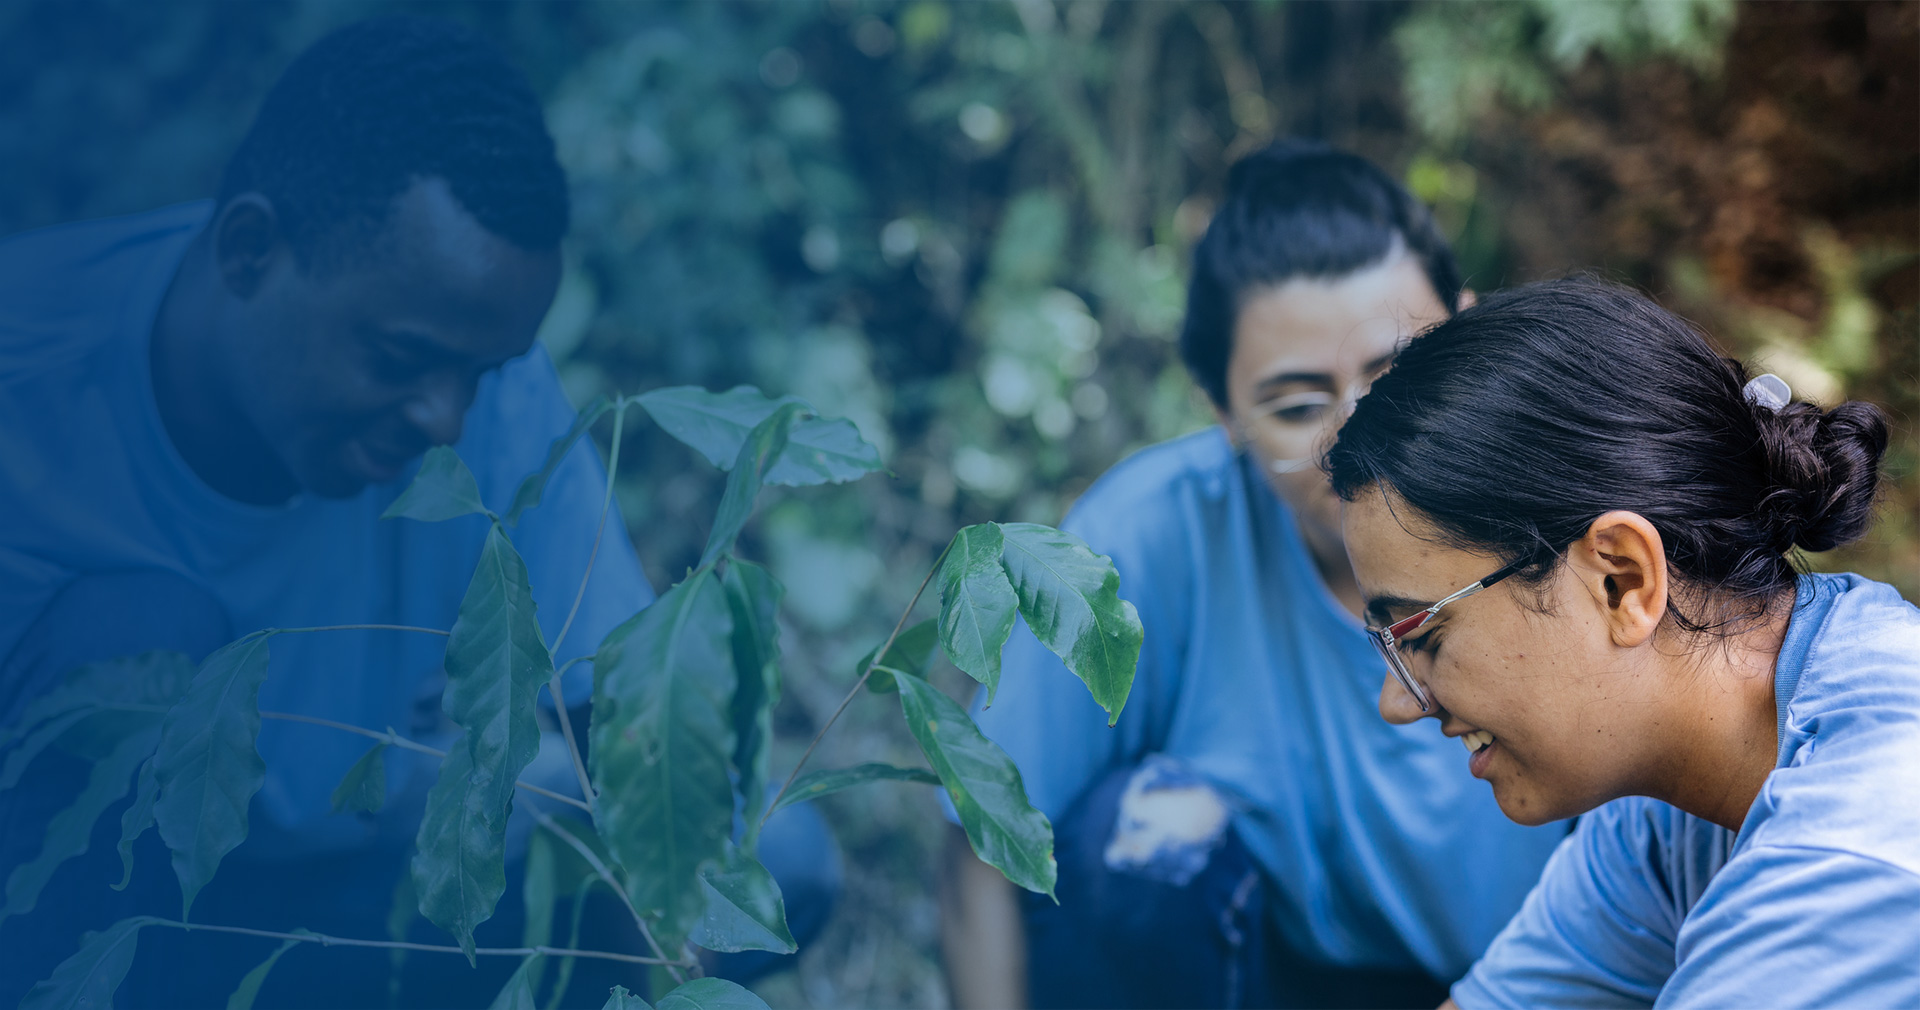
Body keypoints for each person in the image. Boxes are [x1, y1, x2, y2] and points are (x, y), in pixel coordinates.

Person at [0, 17, 834, 1008]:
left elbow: (618, 724)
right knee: (129, 636)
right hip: (122, 914)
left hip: (383, 877)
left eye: (480, 371)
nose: (446, 417)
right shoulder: (32, 387)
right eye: (399, 362)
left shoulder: (483, 372)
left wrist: (656, 981)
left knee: (776, 861)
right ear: (248, 250)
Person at [940, 140, 1569, 1010]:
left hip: (1544, 980)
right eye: (1298, 404)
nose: (1360, 436)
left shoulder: (1576, 526)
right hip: (1262, 973)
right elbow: (987, 835)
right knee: (1131, 840)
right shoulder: (1154, 531)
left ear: (1468, 330)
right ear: (1222, 411)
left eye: (1402, 373)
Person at [1327, 279, 1919, 1008]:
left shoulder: (1855, 850)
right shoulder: (1669, 810)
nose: (1398, 703)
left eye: (1423, 632)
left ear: (1622, 579)